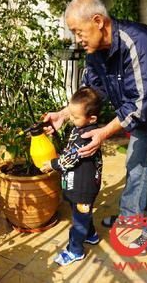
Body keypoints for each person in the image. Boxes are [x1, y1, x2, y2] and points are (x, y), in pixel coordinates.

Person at [44, 0, 147, 255]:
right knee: (135, 162)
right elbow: (92, 93)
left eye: (78, 31)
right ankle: (130, 218)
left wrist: (104, 132)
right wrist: (64, 114)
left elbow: (140, 104)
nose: (77, 39)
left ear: (98, 21)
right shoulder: (95, 53)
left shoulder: (137, 43)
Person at [40, 86, 103, 266]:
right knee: (81, 214)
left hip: (84, 187)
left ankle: (75, 251)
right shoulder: (81, 127)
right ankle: (91, 235)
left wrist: (53, 164)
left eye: (75, 117)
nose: (72, 120)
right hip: (78, 183)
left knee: (79, 221)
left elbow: (73, 156)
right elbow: (70, 149)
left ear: (91, 118)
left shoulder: (88, 134)